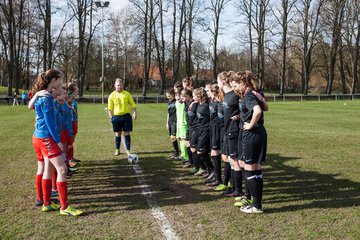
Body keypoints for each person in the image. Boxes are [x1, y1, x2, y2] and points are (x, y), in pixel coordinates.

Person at [30, 69, 83, 216]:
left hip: (41, 136)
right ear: (54, 80)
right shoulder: (46, 98)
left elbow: (31, 107)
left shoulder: (45, 96)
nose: (61, 83)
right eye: (60, 80)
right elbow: (49, 122)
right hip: (47, 137)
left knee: (48, 168)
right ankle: (64, 207)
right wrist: (57, 140)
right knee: (61, 170)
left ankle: (46, 203)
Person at [231, 71, 267, 214]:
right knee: (256, 168)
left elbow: (257, 111)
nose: (234, 89)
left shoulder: (248, 95)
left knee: (249, 168)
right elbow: (265, 108)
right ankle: (256, 204)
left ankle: (256, 206)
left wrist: (251, 124)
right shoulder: (252, 93)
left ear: (242, 83)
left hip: (252, 134)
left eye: (235, 85)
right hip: (259, 132)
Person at [108, 78, 137, 156]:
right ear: (115, 85)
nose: (119, 87)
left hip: (126, 116)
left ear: (123, 85)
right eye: (118, 85)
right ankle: (117, 150)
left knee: (127, 133)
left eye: (120, 85)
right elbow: (110, 108)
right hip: (117, 117)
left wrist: (134, 113)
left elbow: (133, 104)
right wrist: (111, 118)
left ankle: (128, 150)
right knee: (118, 134)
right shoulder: (112, 95)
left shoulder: (127, 94)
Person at [165, 88, 179, 159]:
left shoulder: (177, 102)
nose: (168, 98)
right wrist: (167, 122)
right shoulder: (169, 102)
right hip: (170, 121)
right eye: (167, 96)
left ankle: (177, 152)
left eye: (169, 96)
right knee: (172, 137)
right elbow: (168, 113)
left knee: (174, 137)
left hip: (175, 121)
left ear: (173, 95)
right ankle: (176, 151)